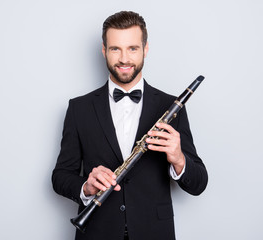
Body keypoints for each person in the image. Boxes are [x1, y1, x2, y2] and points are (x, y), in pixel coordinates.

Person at [52, 11, 208, 240]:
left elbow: (199, 183)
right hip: (96, 232)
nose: (124, 58)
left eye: (132, 48)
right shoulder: (79, 108)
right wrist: (86, 187)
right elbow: (60, 176)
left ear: (145, 49)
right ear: (104, 51)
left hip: (155, 233)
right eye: (115, 49)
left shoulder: (171, 107)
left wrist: (178, 159)